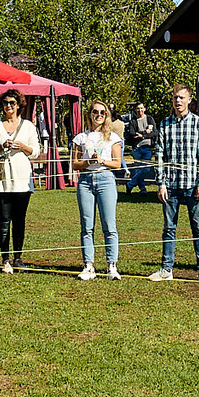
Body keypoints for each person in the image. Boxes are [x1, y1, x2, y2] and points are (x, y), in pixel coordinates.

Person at [149, 85, 199, 282]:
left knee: (198, 228)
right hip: (170, 186)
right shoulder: (165, 124)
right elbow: (159, 155)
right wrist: (161, 183)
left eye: (181, 97)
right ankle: (166, 269)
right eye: (175, 98)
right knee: (169, 228)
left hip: (192, 185)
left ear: (189, 100)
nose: (178, 101)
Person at [0, 90, 42, 273]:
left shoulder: (28, 126)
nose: (8, 106)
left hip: (22, 180)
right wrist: (0, 146)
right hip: (0, 180)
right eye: (5, 102)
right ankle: (5, 259)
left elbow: (36, 151)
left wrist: (24, 147)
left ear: (19, 105)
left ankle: (18, 258)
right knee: (3, 220)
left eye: (12, 102)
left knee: (19, 220)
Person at [73, 101, 123, 280]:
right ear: (90, 114)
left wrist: (101, 161)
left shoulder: (113, 137)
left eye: (102, 112)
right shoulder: (80, 138)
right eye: (95, 112)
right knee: (87, 225)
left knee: (109, 225)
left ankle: (112, 266)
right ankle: (88, 265)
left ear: (106, 115)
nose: (99, 115)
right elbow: (74, 163)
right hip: (86, 181)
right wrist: (88, 162)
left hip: (105, 179)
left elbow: (117, 163)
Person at [122, 99, 158, 193]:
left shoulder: (149, 119)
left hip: (147, 147)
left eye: (141, 108)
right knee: (138, 169)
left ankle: (130, 184)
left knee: (146, 168)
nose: (140, 110)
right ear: (135, 110)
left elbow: (154, 133)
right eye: (138, 109)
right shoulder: (133, 121)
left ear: (144, 109)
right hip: (137, 148)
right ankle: (143, 189)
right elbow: (132, 133)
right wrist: (145, 132)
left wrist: (142, 135)